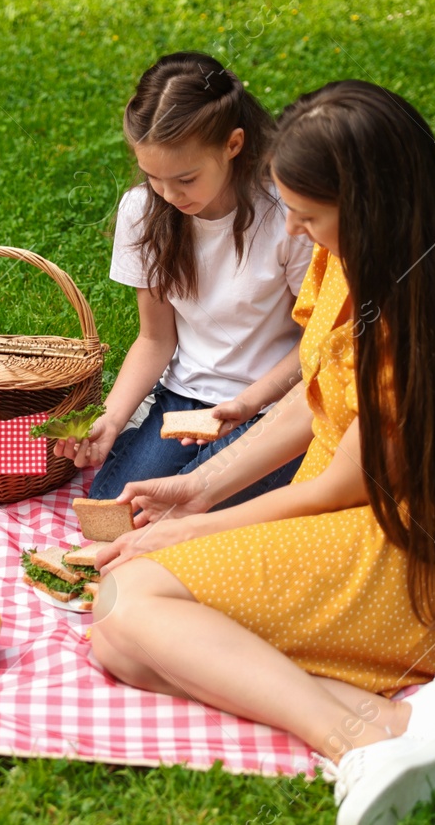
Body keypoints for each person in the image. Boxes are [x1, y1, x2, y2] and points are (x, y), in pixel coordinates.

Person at [90, 80, 435, 825]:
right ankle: (402, 719)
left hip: (405, 558)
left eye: (308, 214)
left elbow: (346, 483)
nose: (291, 228)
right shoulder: (349, 259)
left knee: (128, 604)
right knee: (115, 638)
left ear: (373, 203)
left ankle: (356, 743)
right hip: (341, 517)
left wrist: (195, 533)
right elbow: (313, 397)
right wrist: (200, 489)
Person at [57, 52, 313, 503]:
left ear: (233, 145)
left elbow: (315, 341)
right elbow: (155, 339)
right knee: (116, 506)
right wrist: (112, 418)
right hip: (185, 401)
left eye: (186, 179)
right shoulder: (143, 210)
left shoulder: (286, 216)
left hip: (271, 406)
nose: (170, 195)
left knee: (184, 514)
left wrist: (249, 402)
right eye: (155, 177)